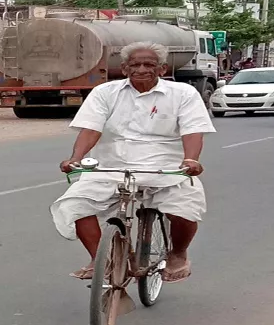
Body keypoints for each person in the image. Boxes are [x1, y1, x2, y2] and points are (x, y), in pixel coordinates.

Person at [50, 41, 216, 283]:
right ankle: (101, 262)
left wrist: (191, 160)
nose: (141, 69)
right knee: (75, 204)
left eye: (149, 64)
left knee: (185, 208)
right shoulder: (104, 93)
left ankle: (178, 254)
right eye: (135, 65)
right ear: (125, 69)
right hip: (111, 165)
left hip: (165, 167)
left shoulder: (183, 94)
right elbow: (91, 129)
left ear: (161, 69)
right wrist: (75, 158)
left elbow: (192, 131)